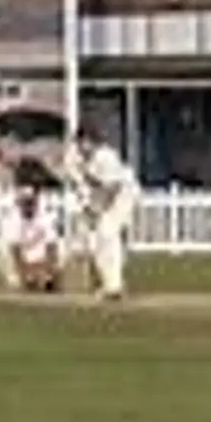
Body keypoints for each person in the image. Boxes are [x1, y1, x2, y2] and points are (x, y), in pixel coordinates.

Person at [66, 125, 139, 301]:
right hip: (99, 195)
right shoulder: (73, 159)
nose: (84, 146)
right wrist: (87, 207)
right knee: (94, 237)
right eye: (81, 142)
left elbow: (113, 187)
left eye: (88, 142)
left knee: (108, 231)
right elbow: (78, 186)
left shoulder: (106, 157)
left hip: (124, 194)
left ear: (95, 142)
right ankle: (104, 282)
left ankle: (114, 287)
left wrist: (97, 208)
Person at [0, 186, 64, 293]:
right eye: (25, 203)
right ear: (20, 204)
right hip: (23, 253)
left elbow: (51, 246)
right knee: (6, 257)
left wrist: (48, 271)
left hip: (40, 252)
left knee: (61, 250)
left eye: (30, 203)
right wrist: (24, 273)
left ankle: (48, 278)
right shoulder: (13, 220)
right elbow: (15, 250)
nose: (28, 206)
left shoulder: (45, 218)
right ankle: (25, 278)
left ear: (35, 203)